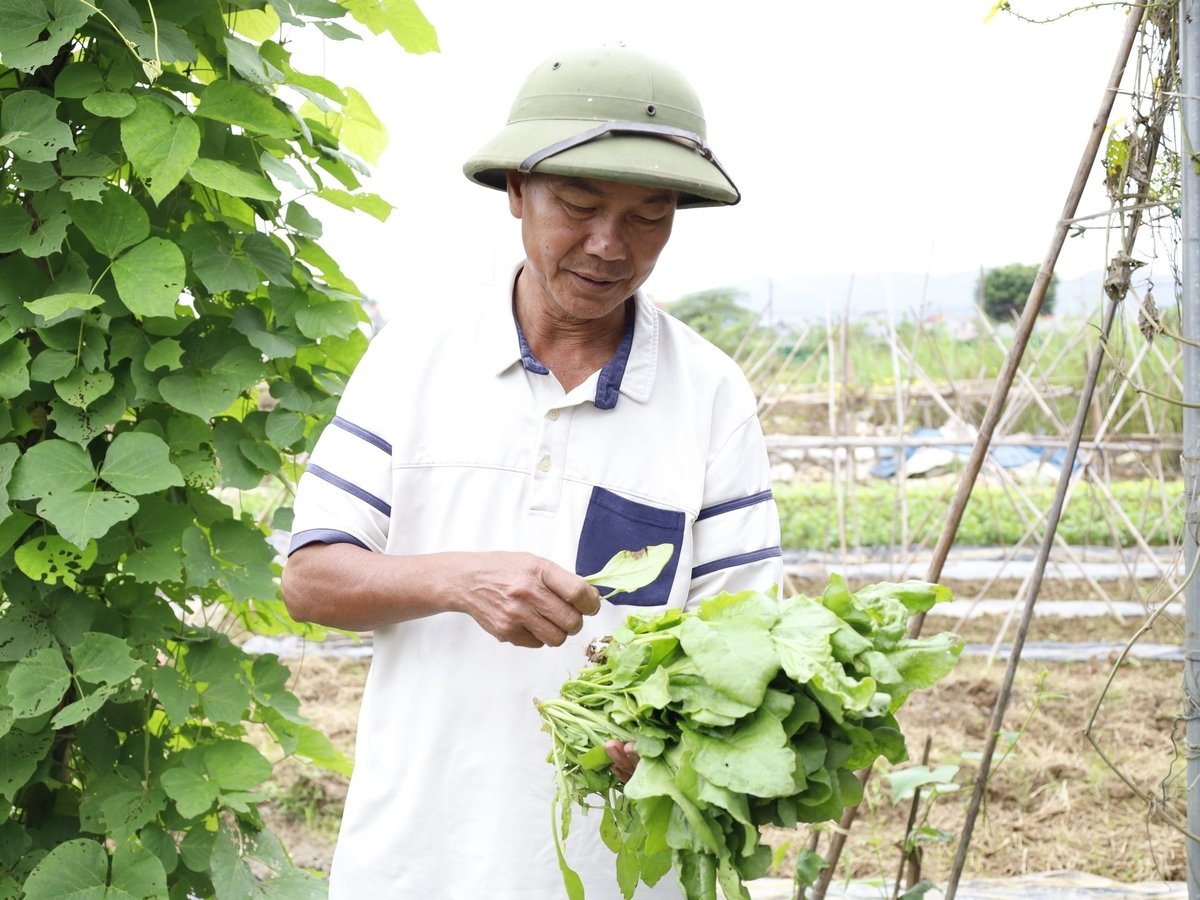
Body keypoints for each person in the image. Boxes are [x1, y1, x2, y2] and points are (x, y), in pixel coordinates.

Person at [281, 44, 784, 900]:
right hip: (415, 865)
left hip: (618, 870)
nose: (608, 245)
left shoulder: (710, 395)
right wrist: (460, 580)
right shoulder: (416, 356)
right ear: (517, 190)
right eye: (579, 205)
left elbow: (746, 640)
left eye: (649, 216)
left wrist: (677, 740)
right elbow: (311, 581)